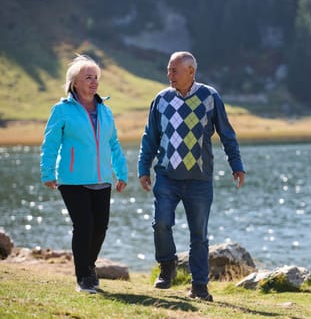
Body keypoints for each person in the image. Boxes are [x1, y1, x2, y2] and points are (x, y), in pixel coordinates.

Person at [138, 51, 245, 301]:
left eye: (174, 70)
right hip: (166, 176)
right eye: (168, 70)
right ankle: (167, 266)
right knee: (161, 223)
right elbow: (149, 137)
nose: (169, 75)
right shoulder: (161, 99)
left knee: (199, 235)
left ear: (191, 72)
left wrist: (236, 164)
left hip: (199, 179)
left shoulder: (210, 96)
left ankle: (199, 286)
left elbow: (227, 134)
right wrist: (143, 168)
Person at [40, 54, 128, 294]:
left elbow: (114, 144)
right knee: (84, 225)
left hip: (102, 179)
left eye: (96, 77)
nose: (94, 82)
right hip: (72, 179)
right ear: (74, 83)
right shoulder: (62, 110)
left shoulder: (105, 110)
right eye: (88, 77)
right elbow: (50, 144)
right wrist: (47, 171)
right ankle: (84, 277)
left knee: (100, 227)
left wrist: (121, 173)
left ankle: (89, 267)